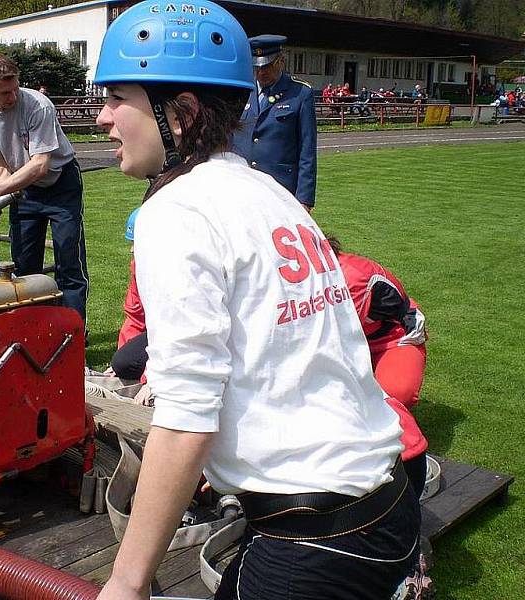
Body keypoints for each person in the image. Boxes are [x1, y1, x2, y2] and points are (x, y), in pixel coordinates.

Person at [93, 2, 419, 599]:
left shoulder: (176, 211)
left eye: (118, 98)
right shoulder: (262, 187)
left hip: (314, 536)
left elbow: (186, 417)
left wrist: (125, 581)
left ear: (182, 113)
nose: (103, 118)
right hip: (384, 501)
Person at [329, 237, 434, 600]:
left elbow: (408, 317)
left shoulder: (358, 277)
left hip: (392, 338)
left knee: (395, 395)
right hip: (348, 345)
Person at [0, 54, 89, 323]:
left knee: (68, 262)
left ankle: (75, 333)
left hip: (61, 185)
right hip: (25, 191)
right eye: (4, 93)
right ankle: (31, 333)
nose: (12, 96)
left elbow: (40, 165)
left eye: (15, 89)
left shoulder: (38, 105)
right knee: (23, 266)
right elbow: (2, 164)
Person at [235, 35, 317, 210]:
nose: (260, 72)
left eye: (266, 66)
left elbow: (307, 150)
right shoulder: (241, 91)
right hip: (243, 187)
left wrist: (305, 199)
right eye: (256, 67)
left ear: (280, 61)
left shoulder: (300, 94)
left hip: (281, 189)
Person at [109, 207, 147, 381]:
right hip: (161, 332)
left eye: (137, 243)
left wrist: (151, 379)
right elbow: (135, 316)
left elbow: (180, 331)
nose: (132, 250)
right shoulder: (139, 267)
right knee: (123, 362)